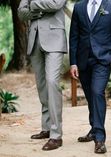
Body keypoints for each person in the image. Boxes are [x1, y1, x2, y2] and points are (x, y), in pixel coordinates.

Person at [69, 0, 111, 154]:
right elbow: (74, 36)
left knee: (97, 92)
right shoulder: (79, 7)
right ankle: (94, 128)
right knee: (90, 96)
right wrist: (73, 63)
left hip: (103, 61)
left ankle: (99, 138)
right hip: (83, 60)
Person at [18, 0, 67, 151]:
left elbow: (56, 4)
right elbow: (21, 13)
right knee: (41, 85)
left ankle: (56, 135)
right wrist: (39, 11)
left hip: (55, 38)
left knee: (52, 82)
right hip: (34, 39)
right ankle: (46, 128)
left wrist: (33, 5)